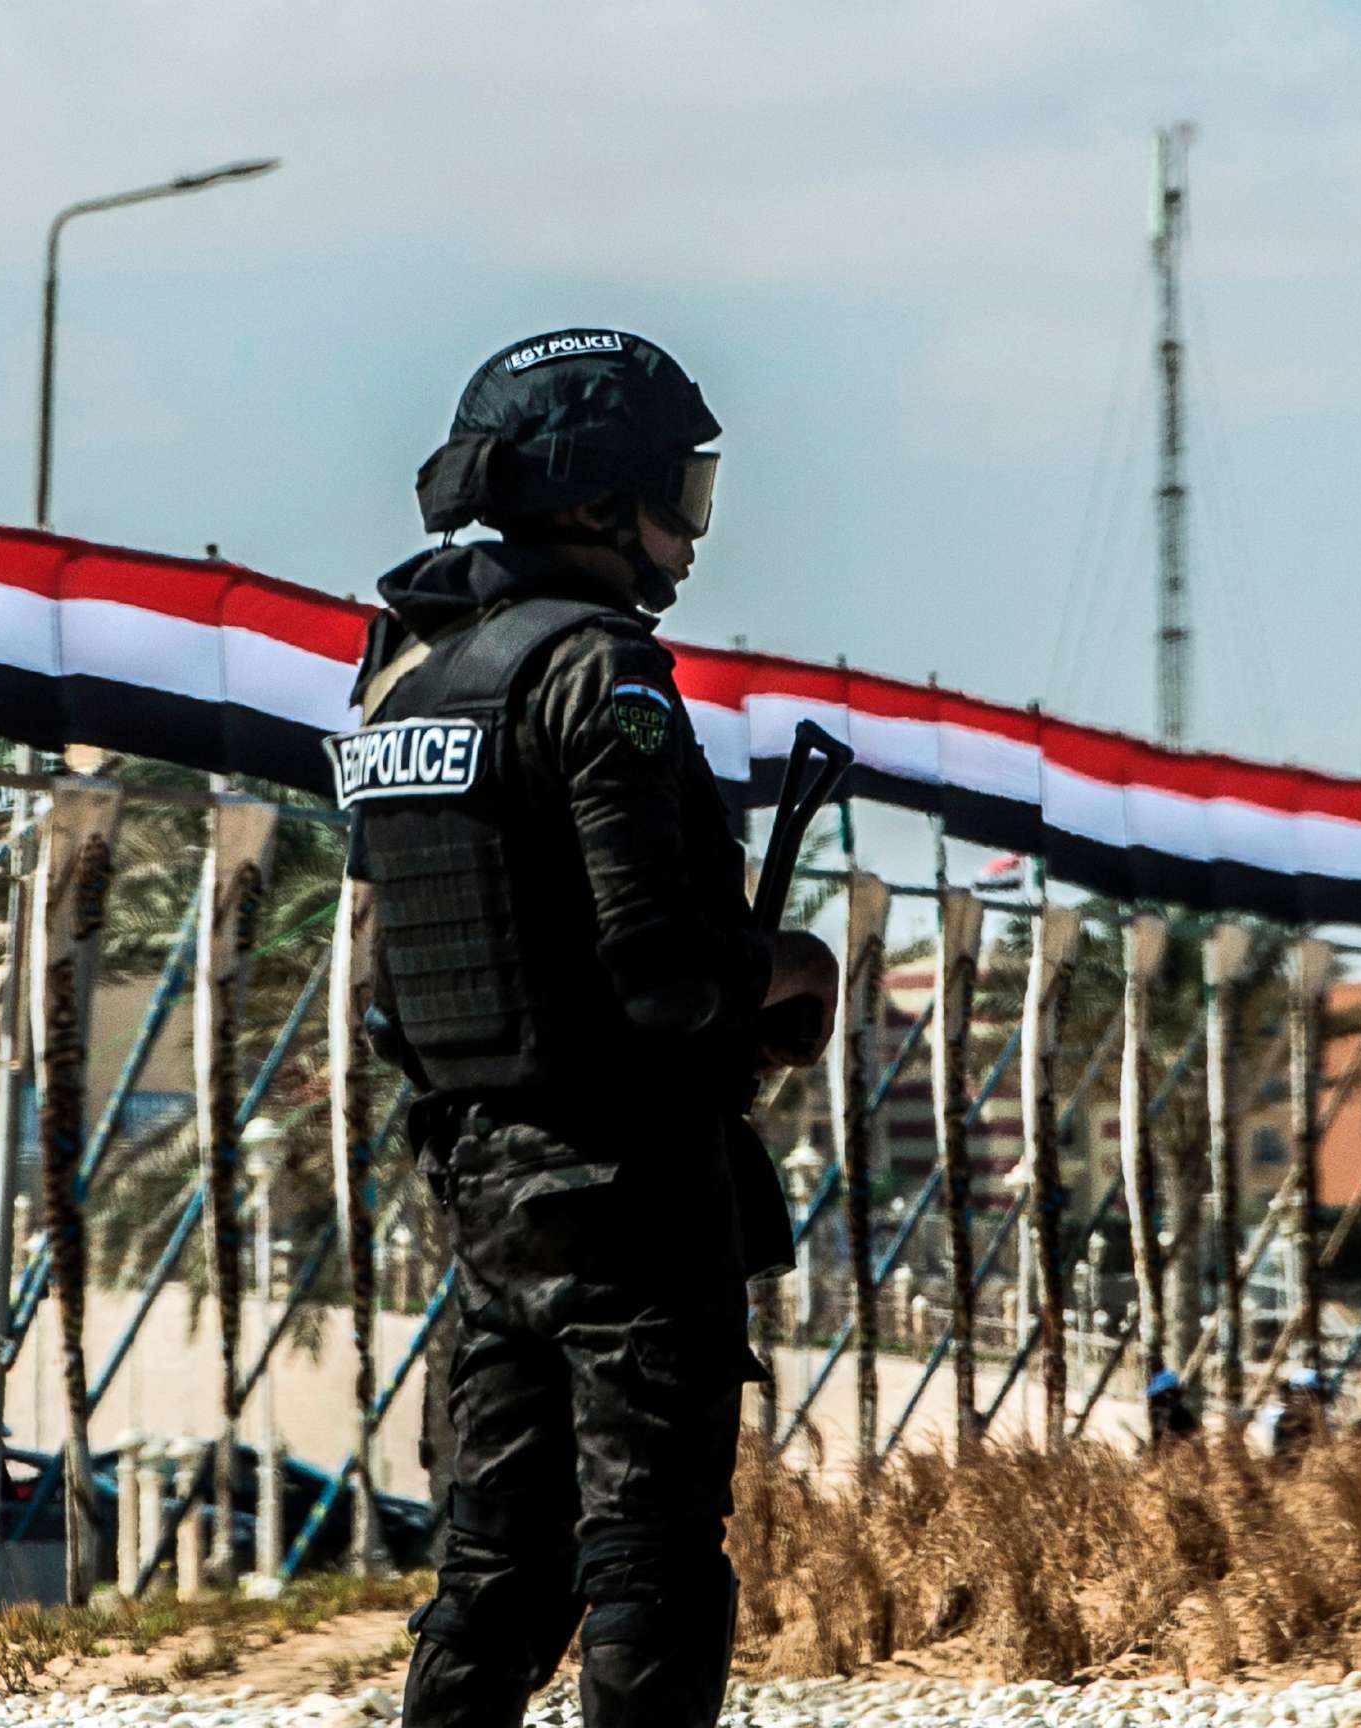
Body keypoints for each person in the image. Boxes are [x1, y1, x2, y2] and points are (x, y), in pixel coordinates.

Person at [333, 329, 839, 1728]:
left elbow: (407, 980)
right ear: (599, 501)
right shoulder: (598, 669)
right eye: (679, 493)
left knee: (493, 1579)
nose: (690, 532)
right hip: (628, 1191)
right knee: (648, 1566)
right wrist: (793, 977)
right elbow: (661, 972)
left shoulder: (408, 680)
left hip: (479, 1190)